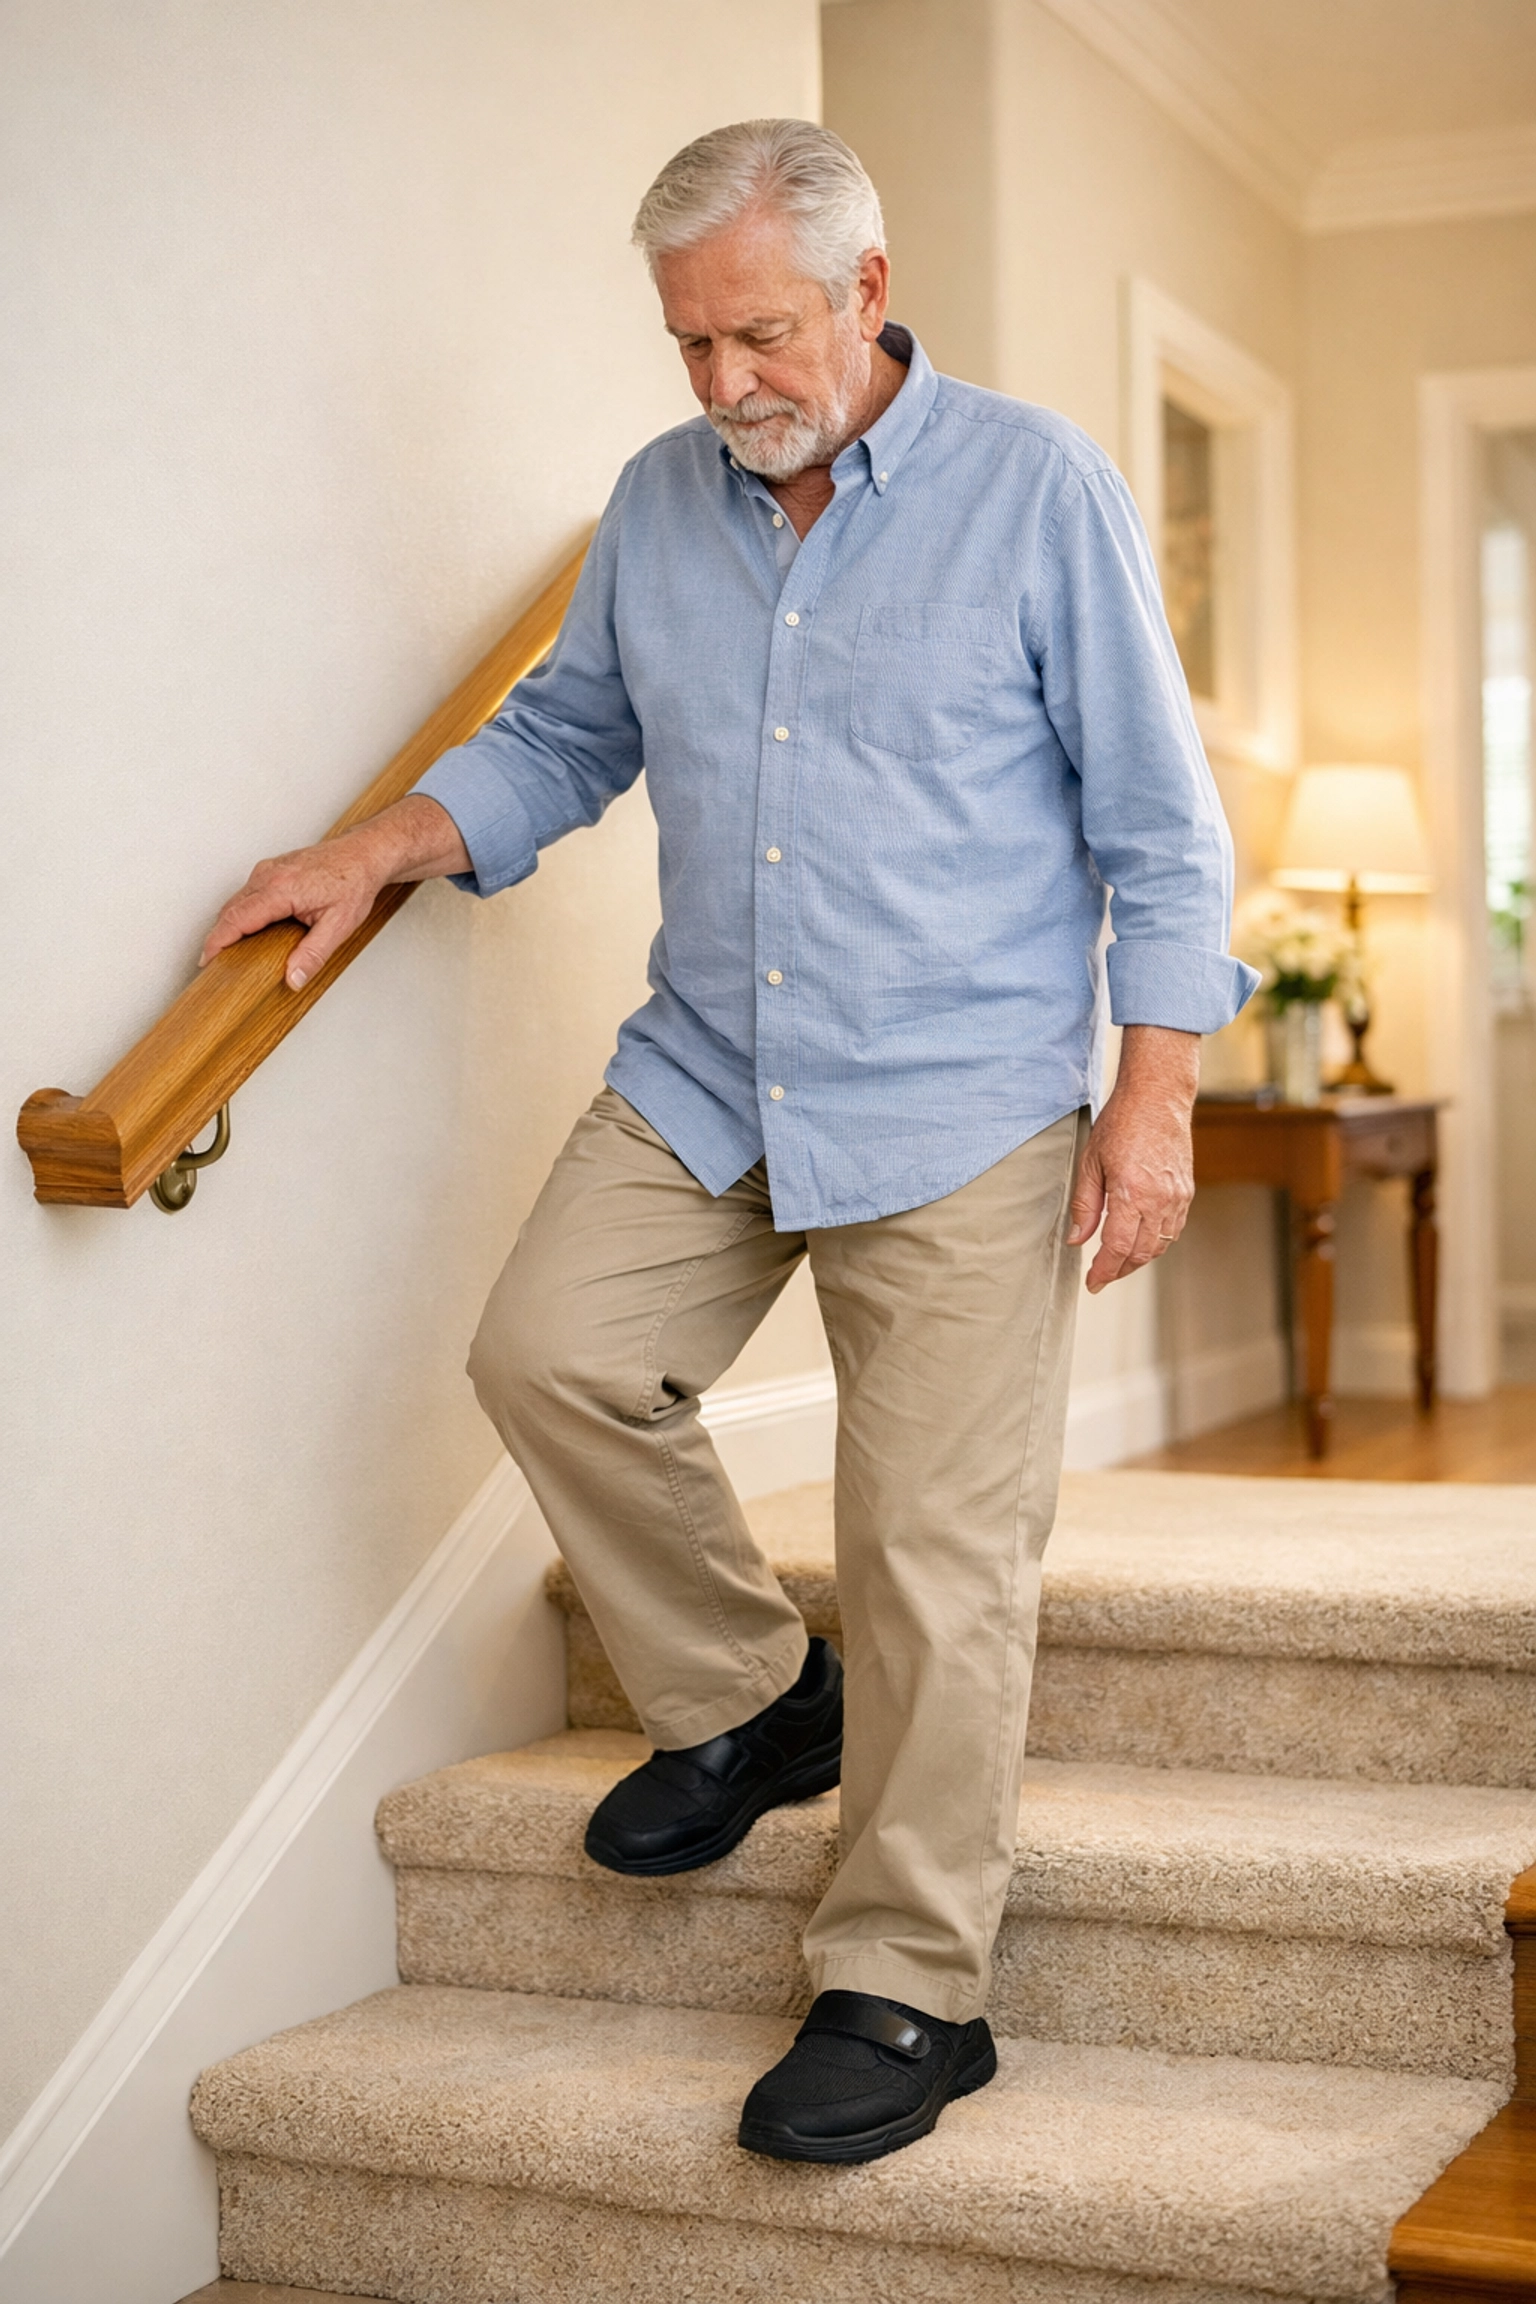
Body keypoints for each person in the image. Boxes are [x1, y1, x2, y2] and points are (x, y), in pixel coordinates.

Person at [203, 118, 1259, 2167]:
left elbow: (1161, 818)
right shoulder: (657, 506)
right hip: (712, 1065)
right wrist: (381, 848)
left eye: (760, 336)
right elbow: (564, 736)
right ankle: (764, 1695)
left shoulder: (1035, 491)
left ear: (866, 296)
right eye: (690, 346)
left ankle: (910, 1982)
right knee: (548, 1353)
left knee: (940, 1558)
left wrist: (1157, 1091)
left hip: (961, 1096)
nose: (724, 388)